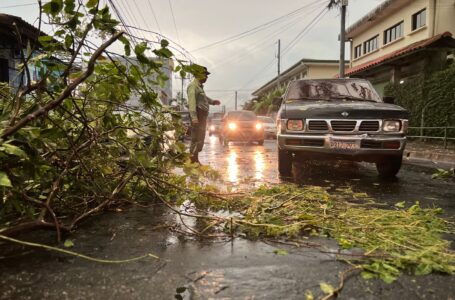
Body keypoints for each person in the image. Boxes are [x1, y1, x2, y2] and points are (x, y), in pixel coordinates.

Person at [187, 65, 221, 163]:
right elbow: (192, 103)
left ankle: (194, 159)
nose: (206, 77)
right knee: (196, 138)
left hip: (202, 116)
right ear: (198, 74)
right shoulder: (192, 86)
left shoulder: (199, 87)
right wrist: (194, 118)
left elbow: (204, 98)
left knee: (199, 138)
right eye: (205, 74)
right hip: (197, 115)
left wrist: (213, 101)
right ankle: (193, 160)